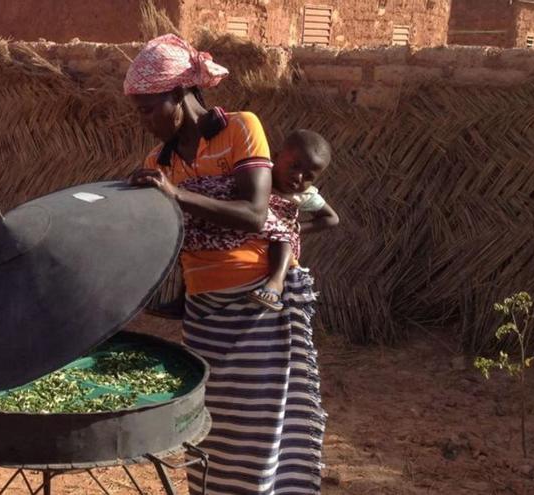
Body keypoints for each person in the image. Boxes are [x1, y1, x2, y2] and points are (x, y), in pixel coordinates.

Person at [125, 34, 327, 495]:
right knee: (212, 431)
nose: (145, 122)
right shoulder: (159, 163)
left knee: (258, 433)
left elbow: (256, 213)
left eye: (148, 109)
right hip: (203, 312)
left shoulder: (240, 128)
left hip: (258, 303)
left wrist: (177, 196)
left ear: (178, 94)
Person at [180, 130, 339, 311]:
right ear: (276, 157)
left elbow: (332, 218)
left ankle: (275, 283)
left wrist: (299, 228)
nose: (298, 177)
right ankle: (182, 297)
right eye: (294, 166)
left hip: (275, 238)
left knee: (284, 237)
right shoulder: (259, 173)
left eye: (309, 177)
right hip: (244, 225)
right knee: (190, 237)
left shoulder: (305, 195)